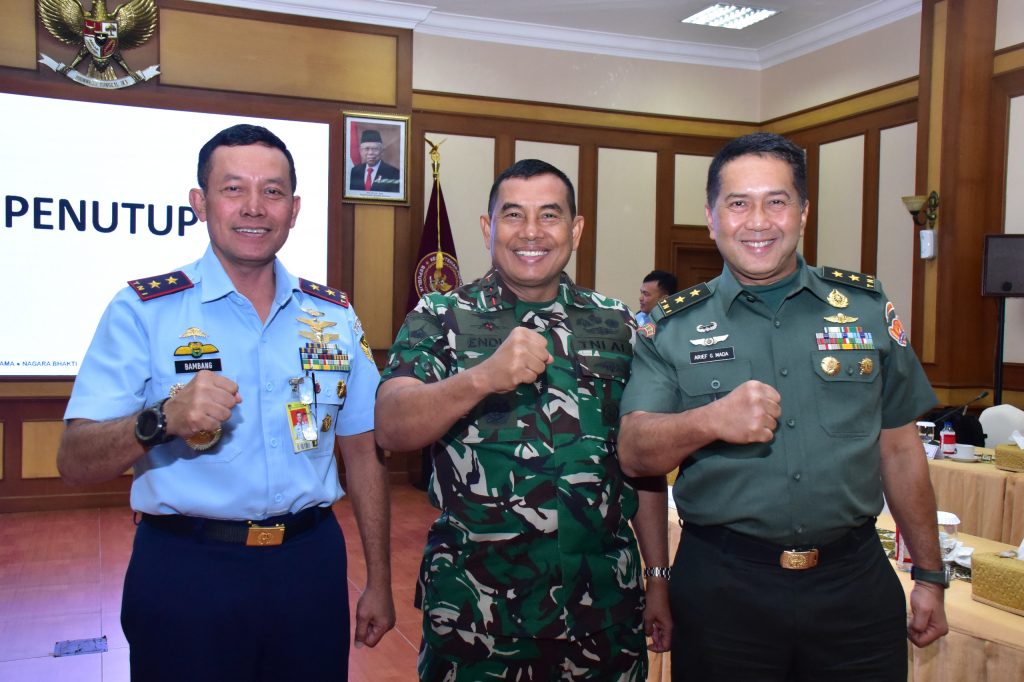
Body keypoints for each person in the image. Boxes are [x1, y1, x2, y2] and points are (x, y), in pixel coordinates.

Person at [57, 124, 395, 681]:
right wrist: (162, 420)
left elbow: (363, 451)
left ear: (294, 209)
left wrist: (379, 580)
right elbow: (74, 459)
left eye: (273, 191)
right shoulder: (143, 311)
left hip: (308, 567)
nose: (254, 207)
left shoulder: (332, 316)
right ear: (200, 202)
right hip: (188, 572)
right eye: (234, 189)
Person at [618, 132, 948, 681]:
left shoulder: (865, 308)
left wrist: (931, 575)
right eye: (738, 203)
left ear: (803, 213)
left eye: (777, 201)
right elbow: (634, 452)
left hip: (854, 587)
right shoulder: (671, 327)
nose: (758, 221)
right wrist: (710, 420)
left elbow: (900, 449)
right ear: (711, 218)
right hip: (723, 591)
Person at [375, 159, 672, 680]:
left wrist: (658, 577)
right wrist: (479, 378)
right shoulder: (440, 316)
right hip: (476, 617)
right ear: (488, 228)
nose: (531, 232)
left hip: (602, 613)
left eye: (549, 215)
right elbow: (391, 425)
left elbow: (642, 464)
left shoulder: (618, 324)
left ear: (575, 230)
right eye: (513, 215)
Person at [349, 129, 401, 193]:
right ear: (360, 151)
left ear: (382, 151)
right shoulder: (354, 171)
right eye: (366, 149)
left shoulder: (394, 174)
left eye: (375, 149)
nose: (370, 153)